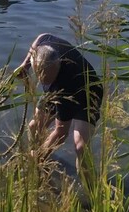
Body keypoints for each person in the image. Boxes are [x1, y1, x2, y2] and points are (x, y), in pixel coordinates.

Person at [15, 33, 103, 178]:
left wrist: (37, 159)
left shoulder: (66, 80)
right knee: (34, 126)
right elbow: (43, 36)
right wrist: (25, 66)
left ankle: (91, 191)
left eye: (48, 78)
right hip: (56, 87)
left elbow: (61, 133)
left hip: (87, 93)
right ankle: (39, 162)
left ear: (59, 64)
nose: (43, 81)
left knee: (80, 146)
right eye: (42, 78)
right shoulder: (45, 45)